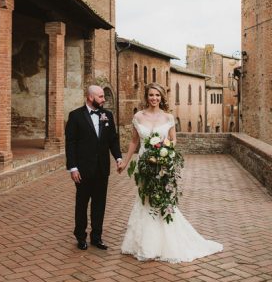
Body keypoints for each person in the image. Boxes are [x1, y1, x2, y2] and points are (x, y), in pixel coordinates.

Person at [118, 82, 223, 263]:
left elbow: (174, 140)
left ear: (162, 97)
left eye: (157, 95)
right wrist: (125, 162)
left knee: (162, 199)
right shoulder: (138, 116)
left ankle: (164, 243)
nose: (154, 98)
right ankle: (145, 243)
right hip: (144, 164)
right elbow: (134, 142)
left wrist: (164, 150)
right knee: (145, 198)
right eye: (151, 95)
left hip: (163, 164)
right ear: (146, 97)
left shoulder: (168, 117)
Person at [65, 85, 122, 250]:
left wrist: (118, 157)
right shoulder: (75, 116)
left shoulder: (107, 115)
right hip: (82, 170)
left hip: (102, 169)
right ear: (90, 97)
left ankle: (96, 237)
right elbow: (71, 144)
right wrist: (73, 168)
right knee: (81, 204)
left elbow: (113, 140)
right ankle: (80, 237)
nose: (104, 100)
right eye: (101, 96)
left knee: (99, 204)